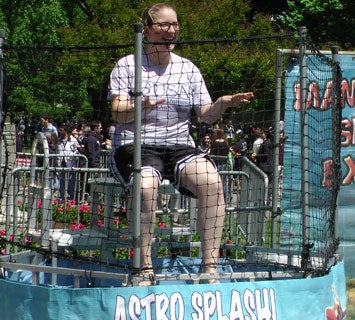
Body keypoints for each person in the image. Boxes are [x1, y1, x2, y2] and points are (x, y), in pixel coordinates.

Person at [108, 3, 254, 284]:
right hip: (135, 143)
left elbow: (206, 116)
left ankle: (209, 267)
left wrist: (222, 104)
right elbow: (116, 111)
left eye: (175, 25)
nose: (171, 30)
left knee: (211, 181)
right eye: (164, 25)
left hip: (177, 146)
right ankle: (144, 266)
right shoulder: (127, 65)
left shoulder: (188, 68)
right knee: (146, 185)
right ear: (148, 29)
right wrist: (141, 104)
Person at [57, 125, 79, 201]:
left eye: (61, 130)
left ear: (66, 131)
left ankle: (72, 197)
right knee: (62, 181)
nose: (60, 132)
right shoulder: (59, 140)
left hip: (70, 162)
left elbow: (76, 151)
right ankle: (62, 197)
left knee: (71, 181)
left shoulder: (73, 140)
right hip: (62, 162)